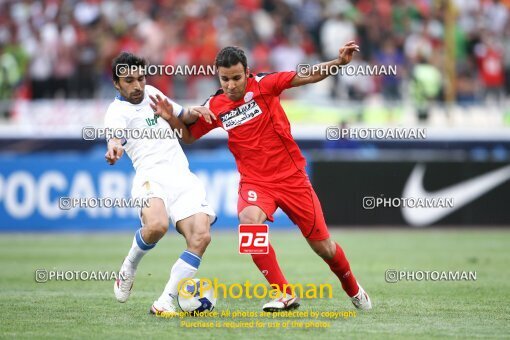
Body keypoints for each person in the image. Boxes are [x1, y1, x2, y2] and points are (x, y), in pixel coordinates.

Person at [151, 41, 372, 312]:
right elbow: (188, 136)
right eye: (225, 79)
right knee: (248, 224)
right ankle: (284, 294)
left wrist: (337, 63)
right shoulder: (215, 105)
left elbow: (307, 75)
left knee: (323, 247)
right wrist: (171, 118)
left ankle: (353, 288)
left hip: (292, 179)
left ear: (247, 73)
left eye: (236, 78)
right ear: (218, 77)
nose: (231, 85)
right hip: (255, 182)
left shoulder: (266, 85)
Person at [104, 52, 217, 317]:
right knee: (156, 226)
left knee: (201, 237)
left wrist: (194, 111)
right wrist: (114, 147)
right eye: (129, 80)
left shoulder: (152, 93)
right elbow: (114, 138)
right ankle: (129, 265)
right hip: (150, 178)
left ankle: (165, 301)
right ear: (116, 84)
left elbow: (181, 115)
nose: (137, 86)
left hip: (182, 178)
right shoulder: (116, 112)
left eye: (141, 78)